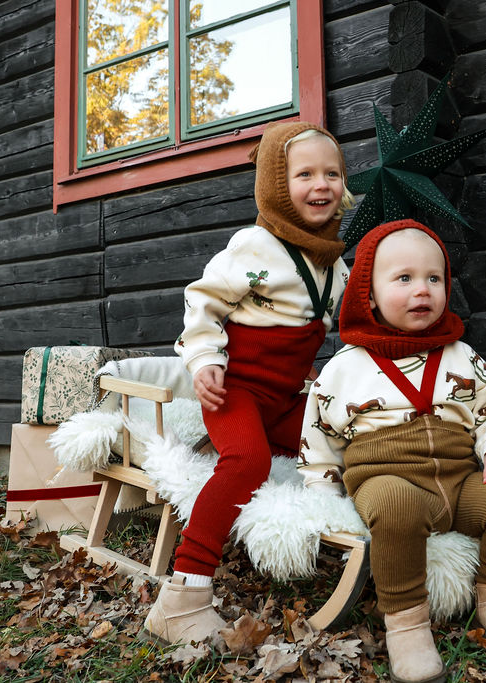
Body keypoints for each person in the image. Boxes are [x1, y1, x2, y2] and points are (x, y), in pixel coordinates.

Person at [298, 219, 486, 683]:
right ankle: (406, 624)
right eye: (404, 278)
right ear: (368, 295)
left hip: (460, 479)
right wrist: (322, 496)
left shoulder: (461, 356)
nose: (422, 289)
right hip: (385, 478)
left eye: (434, 278)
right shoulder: (345, 369)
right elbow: (319, 435)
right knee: (395, 502)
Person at [141, 121, 354, 645]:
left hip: (282, 398)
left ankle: (362, 539)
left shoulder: (336, 265)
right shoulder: (254, 245)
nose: (320, 184)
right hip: (233, 391)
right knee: (250, 461)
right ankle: (183, 593)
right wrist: (204, 360)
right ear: (277, 186)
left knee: (331, 444)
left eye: (331, 173)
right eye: (304, 174)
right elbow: (204, 300)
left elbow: (330, 328)